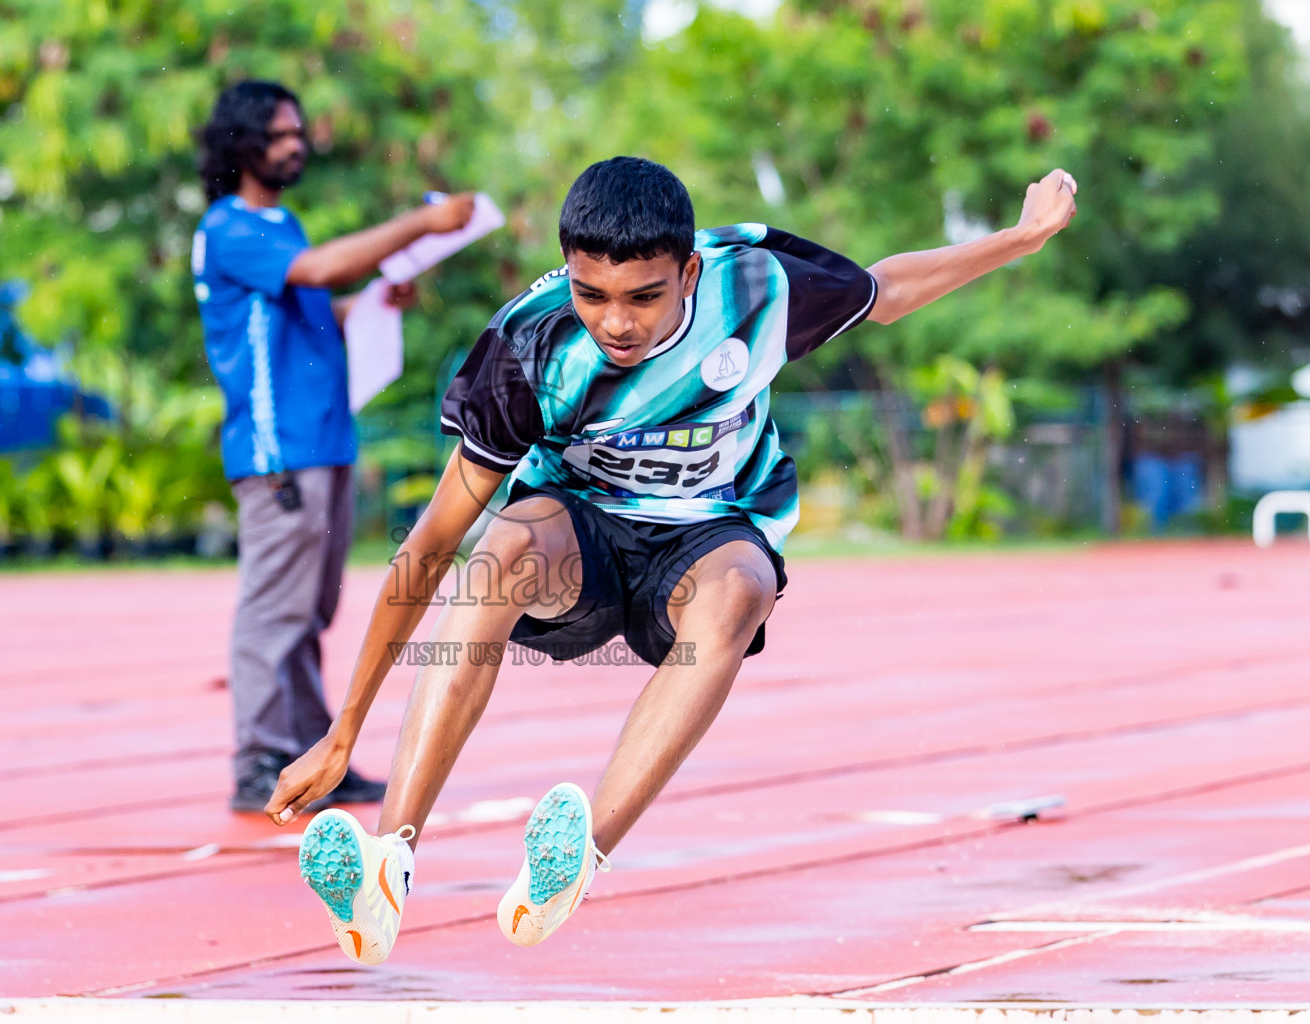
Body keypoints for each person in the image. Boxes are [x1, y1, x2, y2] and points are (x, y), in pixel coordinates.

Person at [266, 156, 1079, 964]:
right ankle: (389, 860)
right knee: (497, 549)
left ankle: (575, 860)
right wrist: (344, 732)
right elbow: (432, 543)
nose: (616, 324)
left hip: (711, 530)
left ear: (688, 272)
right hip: (577, 537)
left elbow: (886, 291)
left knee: (740, 591)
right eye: (593, 295)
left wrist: (1020, 237)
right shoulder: (532, 346)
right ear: (568, 272)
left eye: (644, 297)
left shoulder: (756, 288)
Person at [191, 80, 476, 814]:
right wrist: (421, 223)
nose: (298, 144)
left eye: (299, 132)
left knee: (309, 611)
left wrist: (375, 299)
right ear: (243, 143)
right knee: (274, 612)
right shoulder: (230, 227)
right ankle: (259, 762)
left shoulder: (280, 225)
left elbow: (316, 303)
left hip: (322, 439)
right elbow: (317, 273)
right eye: (282, 134)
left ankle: (314, 753)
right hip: (278, 448)